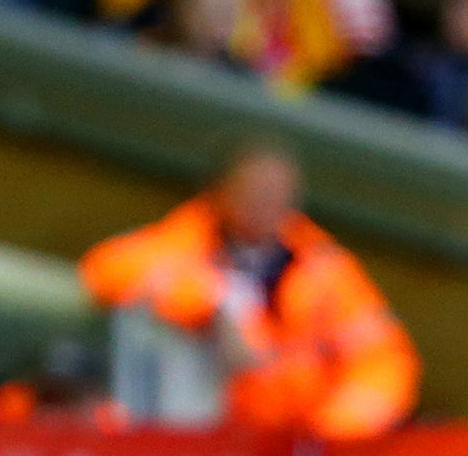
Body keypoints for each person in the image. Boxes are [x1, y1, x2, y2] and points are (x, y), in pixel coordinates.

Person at [80, 148, 420, 439]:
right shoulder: (188, 244)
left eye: (277, 194)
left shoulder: (322, 267)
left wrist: (331, 435)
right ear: (222, 192)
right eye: (254, 192)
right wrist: (214, 303)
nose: (265, 205)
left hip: (294, 446)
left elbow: (384, 360)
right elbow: (106, 270)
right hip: (198, 438)